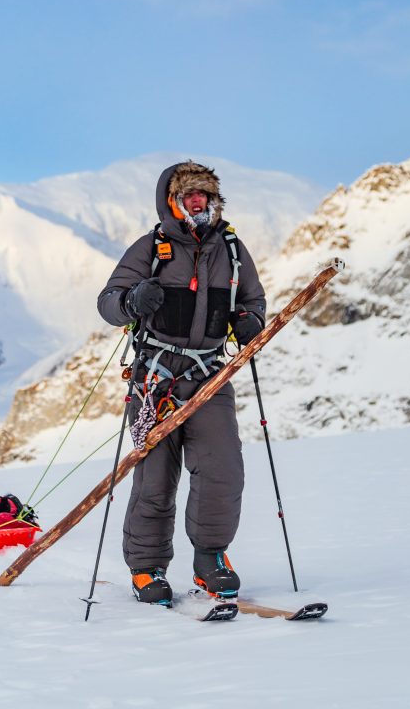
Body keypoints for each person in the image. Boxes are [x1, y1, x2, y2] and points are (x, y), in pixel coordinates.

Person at [97, 160, 266, 606]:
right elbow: (109, 302)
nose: (198, 202)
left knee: (222, 472)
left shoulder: (231, 249)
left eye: (205, 196)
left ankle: (211, 560)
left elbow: (251, 298)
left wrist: (250, 320)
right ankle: (147, 568)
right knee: (155, 478)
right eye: (190, 195)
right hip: (156, 379)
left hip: (210, 375)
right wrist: (132, 299)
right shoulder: (150, 248)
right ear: (171, 202)